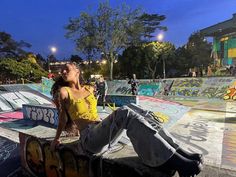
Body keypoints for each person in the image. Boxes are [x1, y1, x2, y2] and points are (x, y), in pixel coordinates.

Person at [50, 62, 203, 177]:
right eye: (61, 69)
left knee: (137, 110)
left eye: (66, 68)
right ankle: (174, 160)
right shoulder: (64, 91)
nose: (62, 71)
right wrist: (56, 139)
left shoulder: (89, 88)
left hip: (101, 132)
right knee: (125, 112)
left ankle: (177, 151)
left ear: (77, 71)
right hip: (89, 139)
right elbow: (62, 118)